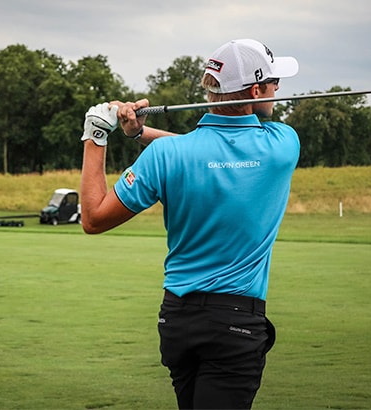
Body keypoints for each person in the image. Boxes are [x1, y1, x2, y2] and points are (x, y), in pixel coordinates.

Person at [80, 38, 300, 409]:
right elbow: (216, 151)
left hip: (177, 321)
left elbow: (93, 218)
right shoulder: (283, 144)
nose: (279, 87)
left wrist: (97, 135)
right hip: (236, 324)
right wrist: (141, 134)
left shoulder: (167, 156)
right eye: (274, 80)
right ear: (257, 89)